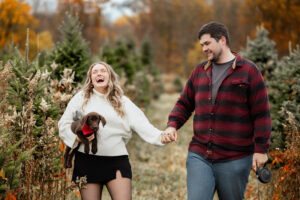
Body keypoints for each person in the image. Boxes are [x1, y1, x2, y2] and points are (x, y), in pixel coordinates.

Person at [161, 21, 272, 200]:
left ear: (222, 40)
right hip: (200, 155)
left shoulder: (249, 71)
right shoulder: (199, 71)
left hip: (235, 158)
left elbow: (261, 114)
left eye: (207, 43)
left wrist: (260, 149)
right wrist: (172, 125)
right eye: (201, 45)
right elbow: (184, 103)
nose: (204, 49)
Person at [58, 61, 165, 200]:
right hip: (87, 162)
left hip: (117, 161)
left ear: (110, 77)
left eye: (103, 71)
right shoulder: (81, 98)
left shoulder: (122, 101)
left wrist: (161, 136)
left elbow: (142, 124)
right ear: (91, 79)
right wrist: (77, 138)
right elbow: (64, 124)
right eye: (95, 72)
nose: (99, 73)